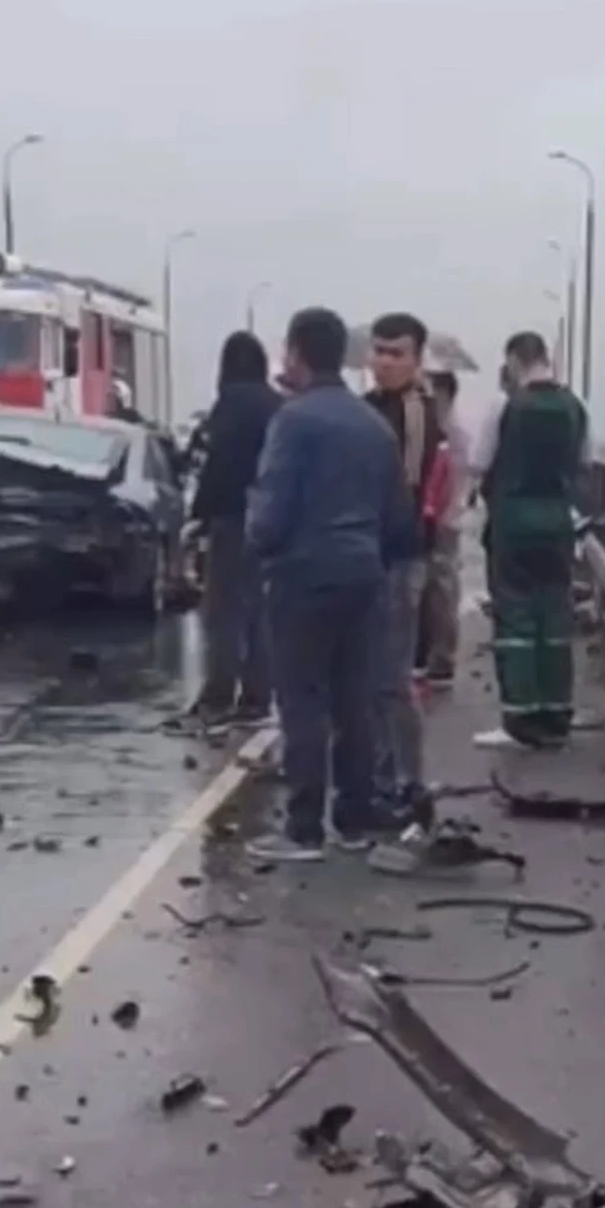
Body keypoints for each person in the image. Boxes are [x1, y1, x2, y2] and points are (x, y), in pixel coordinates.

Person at [246, 306, 416, 861]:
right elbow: (398, 517)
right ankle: (356, 813)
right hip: (363, 574)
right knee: (354, 699)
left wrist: (260, 546)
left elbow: (270, 513)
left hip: (303, 574)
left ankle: (303, 827)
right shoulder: (372, 425)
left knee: (302, 701)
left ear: (295, 353)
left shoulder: (293, 421)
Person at [471, 331, 588, 751]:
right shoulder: (574, 407)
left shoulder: (506, 405)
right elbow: (582, 462)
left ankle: (521, 720)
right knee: (555, 615)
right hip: (558, 521)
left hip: (514, 521)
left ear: (515, 361)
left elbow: (479, 461)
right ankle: (557, 714)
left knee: (516, 616)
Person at [364, 313, 444, 817]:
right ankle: (379, 773)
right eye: (379, 351)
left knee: (392, 676)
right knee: (369, 674)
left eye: (397, 353)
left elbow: (410, 488)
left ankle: (409, 781)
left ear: (416, 359)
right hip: (368, 553)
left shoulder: (417, 413)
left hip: (400, 554)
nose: (385, 361)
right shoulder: (371, 407)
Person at [186, 331, 280, 726]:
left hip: (232, 518)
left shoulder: (230, 404)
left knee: (223, 612)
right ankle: (257, 697)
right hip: (269, 519)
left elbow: (217, 464)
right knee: (260, 611)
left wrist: (200, 514)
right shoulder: (276, 404)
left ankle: (218, 696)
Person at [414, 369, 470, 689]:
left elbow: (456, 481)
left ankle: (442, 657)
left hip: (446, 519)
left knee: (442, 588)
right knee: (433, 588)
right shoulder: (440, 430)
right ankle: (431, 654)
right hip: (438, 517)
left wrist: (443, 512)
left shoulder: (452, 434)